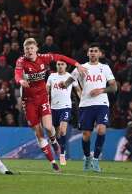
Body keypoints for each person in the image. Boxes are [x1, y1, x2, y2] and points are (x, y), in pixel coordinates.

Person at [14, 38, 87, 171]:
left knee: (48, 127)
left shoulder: (44, 58)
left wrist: (77, 64)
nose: (29, 51)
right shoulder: (21, 61)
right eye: (26, 49)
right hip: (28, 101)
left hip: (42, 98)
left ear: (36, 48)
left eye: (31, 48)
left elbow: (61, 56)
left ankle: (53, 141)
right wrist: (20, 81)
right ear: (24, 51)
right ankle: (53, 162)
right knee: (39, 133)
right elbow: (17, 74)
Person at [60, 43, 117, 172]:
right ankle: (87, 158)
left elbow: (114, 87)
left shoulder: (105, 68)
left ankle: (96, 159)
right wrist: (64, 84)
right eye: (91, 51)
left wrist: (101, 90)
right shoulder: (81, 67)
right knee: (86, 135)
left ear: (100, 54)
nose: (93, 53)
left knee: (102, 130)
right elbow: (69, 81)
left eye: (95, 51)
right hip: (86, 104)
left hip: (102, 104)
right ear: (87, 54)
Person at [46, 60, 82, 165]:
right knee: (57, 133)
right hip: (53, 108)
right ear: (56, 66)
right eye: (58, 64)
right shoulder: (52, 76)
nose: (60, 66)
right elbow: (46, 90)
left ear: (66, 66)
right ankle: (57, 147)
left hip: (66, 107)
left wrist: (83, 100)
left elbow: (78, 90)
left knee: (62, 131)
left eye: (62, 64)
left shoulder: (70, 77)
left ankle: (62, 155)